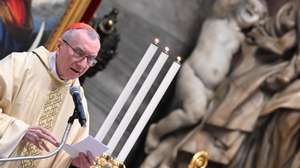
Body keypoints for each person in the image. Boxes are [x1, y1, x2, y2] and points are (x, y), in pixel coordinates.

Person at [0, 22, 101, 168]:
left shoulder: (78, 101)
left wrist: (75, 164)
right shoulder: (20, 65)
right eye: (79, 53)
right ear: (59, 46)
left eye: (90, 59)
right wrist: (20, 131)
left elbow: (66, 156)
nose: (82, 64)